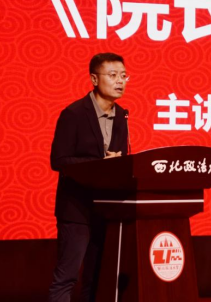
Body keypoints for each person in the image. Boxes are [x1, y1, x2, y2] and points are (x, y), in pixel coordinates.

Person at [48, 52, 130, 302]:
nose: (120, 81)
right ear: (94, 79)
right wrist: (100, 164)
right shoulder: (74, 114)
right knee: (67, 277)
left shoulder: (122, 116)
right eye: (113, 75)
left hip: (105, 210)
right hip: (76, 210)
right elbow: (59, 161)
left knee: (96, 279)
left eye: (124, 76)